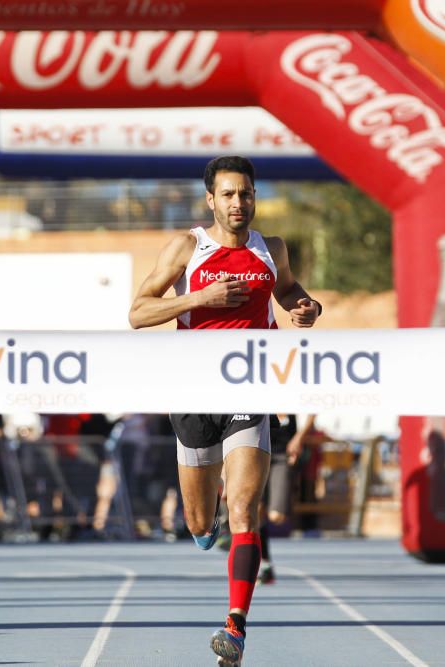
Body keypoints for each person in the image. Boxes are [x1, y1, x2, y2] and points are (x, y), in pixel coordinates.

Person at [129, 155, 321, 666]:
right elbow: (137, 312)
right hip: (193, 395)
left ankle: (235, 626)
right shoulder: (187, 249)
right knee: (199, 522)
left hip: (250, 390)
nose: (240, 203)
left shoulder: (271, 249)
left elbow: (288, 292)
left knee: (243, 508)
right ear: (211, 199)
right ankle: (201, 526)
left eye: (247, 193)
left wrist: (306, 307)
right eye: (230, 194)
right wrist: (201, 297)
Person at [257, 413, 314, 584]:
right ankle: (263, 564)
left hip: (283, 455)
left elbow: (312, 410)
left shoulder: (292, 388)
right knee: (254, 513)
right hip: (256, 452)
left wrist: (299, 438)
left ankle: (247, 544)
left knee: (277, 516)